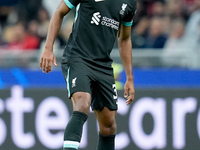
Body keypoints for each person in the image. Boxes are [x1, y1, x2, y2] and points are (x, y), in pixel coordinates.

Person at [40, 0, 136, 149]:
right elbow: (59, 12)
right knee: (83, 103)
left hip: (103, 65)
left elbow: (124, 38)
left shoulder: (129, 3)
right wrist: (48, 48)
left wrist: (129, 77)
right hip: (78, 57)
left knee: (109, 125)